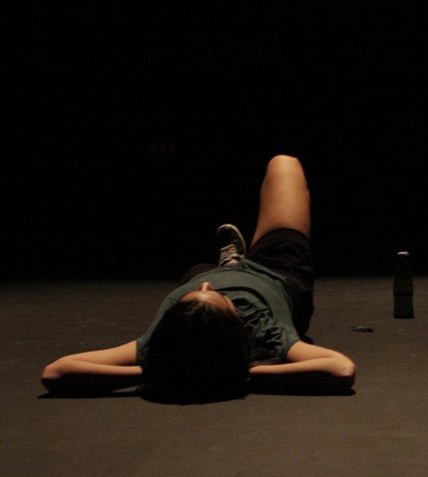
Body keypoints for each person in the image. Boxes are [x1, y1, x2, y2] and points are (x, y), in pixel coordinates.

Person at [41, 155, 356, 400]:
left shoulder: (157, 345)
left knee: (202, 273)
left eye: (190, 299)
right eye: (218, 298)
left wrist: (158, 372)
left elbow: (55, 372)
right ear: (239, 330)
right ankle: (238, 263)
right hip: (276, 273)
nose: (208, 287)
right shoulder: (268, 338)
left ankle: (230, 263)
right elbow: (340, 369)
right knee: (284, 164)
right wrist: (242, 372)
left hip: (205, 271)